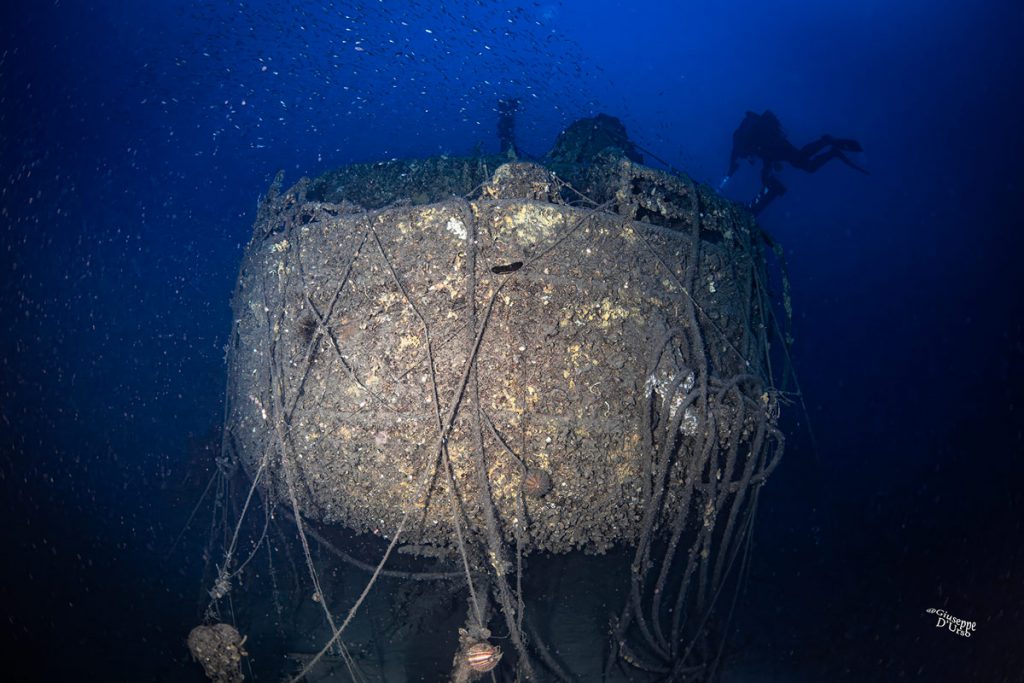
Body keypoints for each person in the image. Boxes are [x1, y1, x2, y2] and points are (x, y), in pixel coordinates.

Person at [719, 110, 867, 215]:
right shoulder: (746, 143)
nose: (748, 158)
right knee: (803, 163)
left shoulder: (743, 143)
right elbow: (762, 154)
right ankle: (831, 149)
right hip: (775, 147)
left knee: (803, 162)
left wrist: (732, 171)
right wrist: (765, 168)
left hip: (777, 147)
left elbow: (762, 152)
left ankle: (826, 143)